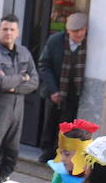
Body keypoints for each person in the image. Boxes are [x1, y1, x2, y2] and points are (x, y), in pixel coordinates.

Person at [0, 14, 38, 183]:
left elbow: (35, 82)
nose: (8, 33)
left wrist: (14, 86)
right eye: (5, 29)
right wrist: (23, 77)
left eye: (12, 29)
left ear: (18, 32)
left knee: (12, 153)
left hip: (18, 110)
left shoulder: (24, 52)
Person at [36, 11, 87, 156]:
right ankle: (46, 152)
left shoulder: (88, 44)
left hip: (73, 91)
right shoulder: (55, 41)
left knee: (67, 125)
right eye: (75, 31)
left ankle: (61, 153)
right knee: (50, 122)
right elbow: (44, 65)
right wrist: (53, 90)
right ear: (68, 31)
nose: (79, 34)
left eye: (81, 30)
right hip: (55, 87)